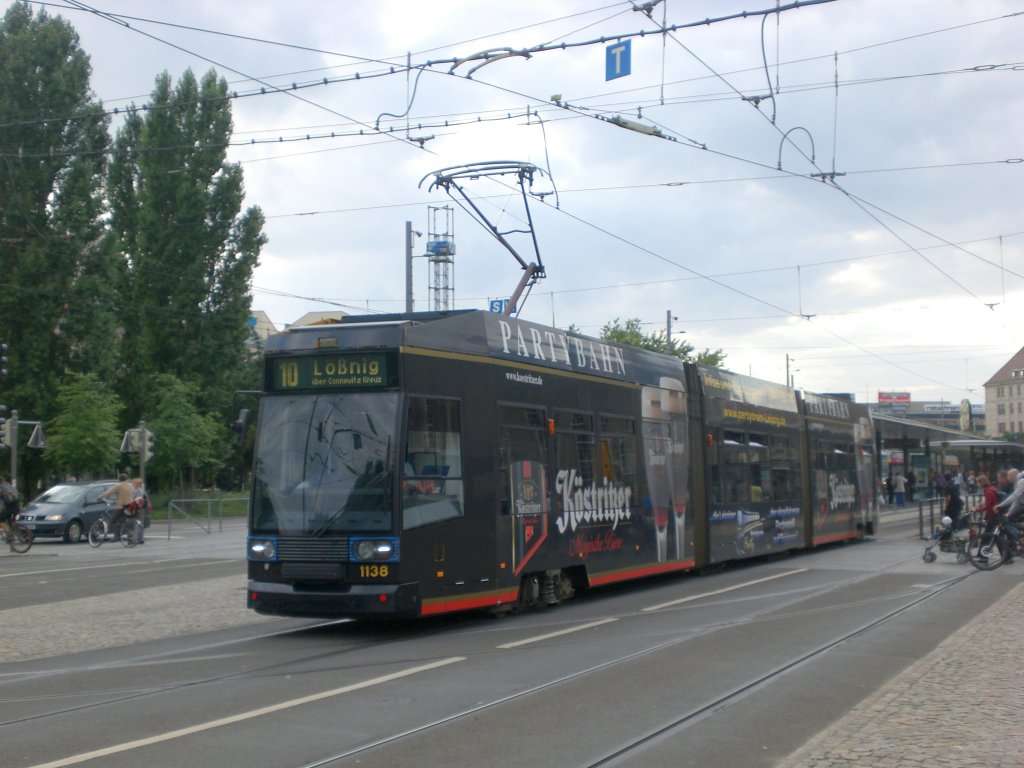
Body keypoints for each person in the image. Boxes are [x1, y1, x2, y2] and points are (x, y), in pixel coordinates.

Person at [98, 473, 136, 540]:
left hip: (123, 506)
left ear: (119, 479)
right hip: (131, 505)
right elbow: (134, 493)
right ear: (126, 479)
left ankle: (117, 535)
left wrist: (100, 497)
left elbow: (108, 492)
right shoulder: (130, 485)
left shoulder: (118, 485)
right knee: (128, 520)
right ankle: (130, 537)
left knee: (113, 521)